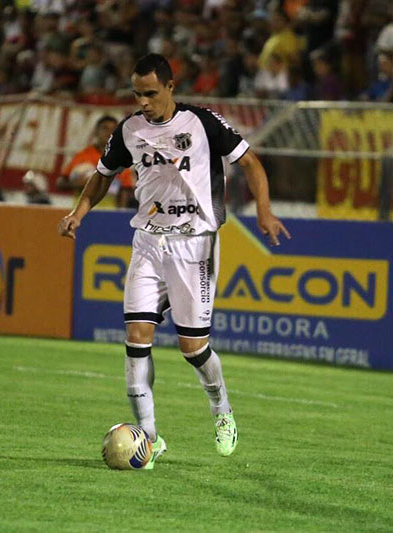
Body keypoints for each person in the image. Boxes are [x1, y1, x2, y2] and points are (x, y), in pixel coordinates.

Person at [58, 54, 290, 468]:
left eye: (150, 93)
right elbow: (102, 175)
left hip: (195, 244)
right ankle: (148, 439)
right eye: (136, 93)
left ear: (169, 87)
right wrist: (79, 212)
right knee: (135, 338)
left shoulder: (202, 123)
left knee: (192, 347)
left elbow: (251, 163)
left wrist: (265, 211)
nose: (143, 101)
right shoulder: (129, 131)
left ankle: (222, 410)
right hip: (147, 242)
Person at [56, 115, 135, 209]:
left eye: (113, 129)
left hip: (107, 213)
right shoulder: (82, 156)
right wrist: (76, 183)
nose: (109, 132)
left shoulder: (121, 158)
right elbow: (60, 183)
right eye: (105, 128)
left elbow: (125, 189)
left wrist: (121, 213)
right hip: (80, 212)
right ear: (96, 132)